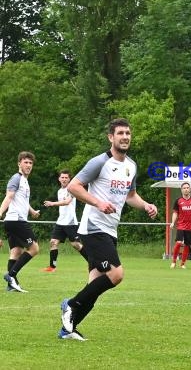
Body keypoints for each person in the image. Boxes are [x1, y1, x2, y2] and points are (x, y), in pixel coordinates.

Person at [59, 118, 158, 341]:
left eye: (128, 133)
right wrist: (98, 203)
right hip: (93, 228)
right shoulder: (99, 162)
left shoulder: (131, 166)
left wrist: (146, 205)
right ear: (110, 137)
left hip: (110, 230)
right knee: (115, 274)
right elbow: (74, 186)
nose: (125, 137)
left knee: (94, 283)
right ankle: (70, 305)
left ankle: (68, 329)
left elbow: (130, 196)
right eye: (120, 133)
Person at [0, 151, 41, 292]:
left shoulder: (24, 181)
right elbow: (9, 197)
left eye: (30, 163)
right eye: (25, 162)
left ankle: (11, 287)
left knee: (16, 252)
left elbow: (22, 200)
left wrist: (32, 211)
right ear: (19, 163)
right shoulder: (16, 178)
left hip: (14, 221)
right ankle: (11, 275)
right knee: (34, 248)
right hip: (16, 220)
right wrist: (0, 213)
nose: (28, 165)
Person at [42, 170, 88, 272]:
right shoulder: (59, 191)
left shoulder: (71, 189)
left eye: (66, 177)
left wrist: (52, 203)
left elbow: (67, 202)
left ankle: (92, 262)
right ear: (59, 179)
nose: (64, 179)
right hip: (60, 222)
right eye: (62, 177)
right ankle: (52, 267)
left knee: (76, 245)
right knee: (53, 242)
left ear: (69, 179)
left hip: (70, 222)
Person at [169, 182, 191, 269]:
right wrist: (172, 222)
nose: (186, 189)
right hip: (181, 225)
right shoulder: (178, 201)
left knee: (187, 245)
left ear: (189, 189)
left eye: (187, 187)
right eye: (184, 188)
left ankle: (183, 264)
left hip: (190, 226)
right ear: (181, 190)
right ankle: (173, 262)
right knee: (179, 243)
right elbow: (175, 213)